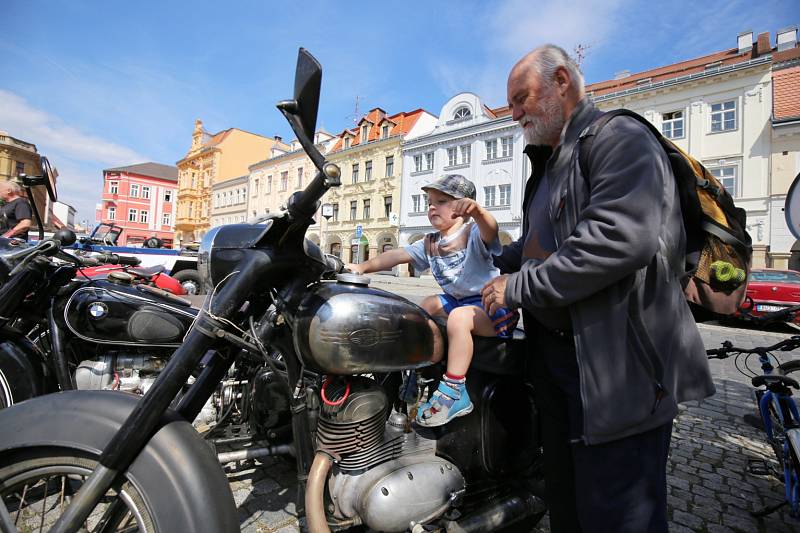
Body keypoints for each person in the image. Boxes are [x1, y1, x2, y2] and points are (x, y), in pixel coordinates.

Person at [481, 45, 715, 533]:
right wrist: (489, 254)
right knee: (565, 502)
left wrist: (519, 288)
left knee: (617, 512)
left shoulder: (618, 137)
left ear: (561, 80)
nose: (515, 114)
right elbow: (537, 245)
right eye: (510, 106)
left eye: (521, 98)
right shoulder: (549, 163)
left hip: (615, 367)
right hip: (556, 363)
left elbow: (618, 240)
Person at [347, 174, 518, 427]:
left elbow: (490, 230)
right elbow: (396, 255)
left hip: (491, 307)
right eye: (429, 202)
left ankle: (454, 391)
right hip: (458, 301)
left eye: (441, 201)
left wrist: (479, 212)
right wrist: (362, 267)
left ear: (462, 208)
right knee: (425, 306)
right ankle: (418, 367)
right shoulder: (430, 242)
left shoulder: (473, 233)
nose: (431, 207)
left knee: (459, 319)